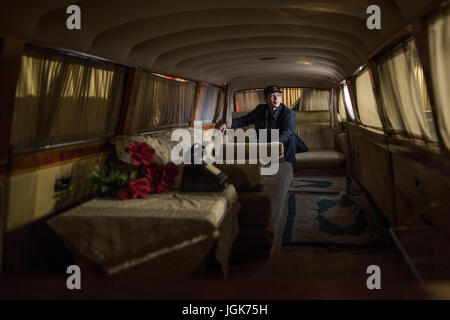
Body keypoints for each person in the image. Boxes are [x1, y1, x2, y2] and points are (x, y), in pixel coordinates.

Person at [218, 85, 309, 172]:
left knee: (291, 137)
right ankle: (253, 171)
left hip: (283, 142)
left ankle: (289, 169)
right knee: (251, 141)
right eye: (272, 96)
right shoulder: (260, 110)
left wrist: (275, 143)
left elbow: (288, 130)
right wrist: (227, 124)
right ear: (266, 99)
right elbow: (244, 120)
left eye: (278, 95)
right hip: (264, 139)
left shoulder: (288, 112)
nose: (276, 99)